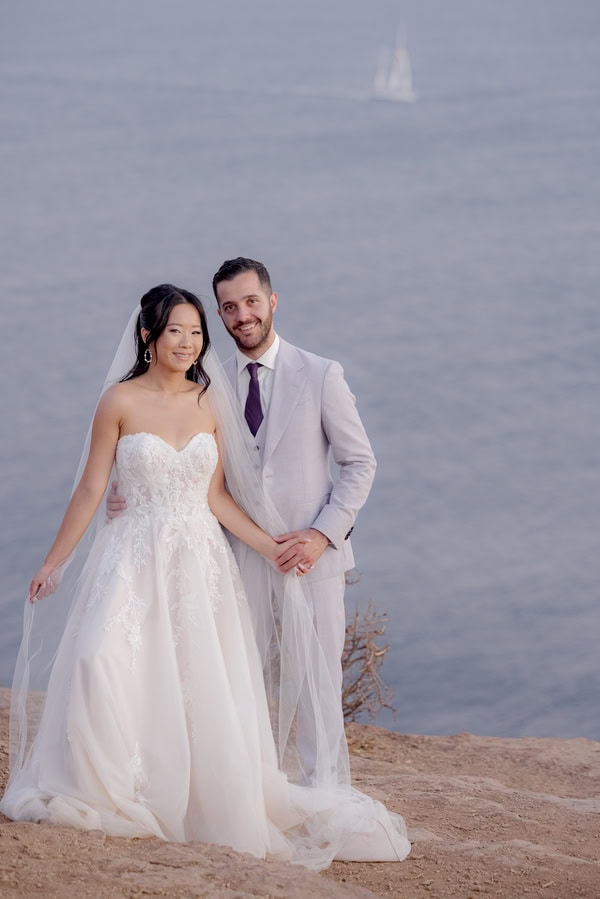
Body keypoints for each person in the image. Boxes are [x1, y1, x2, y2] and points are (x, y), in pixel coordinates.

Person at [1, 285, 410, 870]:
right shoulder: (117, 401)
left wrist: (273, 547)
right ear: (148, 336)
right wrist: (54, 561)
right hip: (130, 556)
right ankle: (110, 785)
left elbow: (215, 495)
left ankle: (192, 794)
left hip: (198, 563)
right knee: (99, 658)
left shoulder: (208, 401)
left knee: (197, 680)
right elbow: (92, 488)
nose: (188, 343)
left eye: (196, 333)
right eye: (175, 331)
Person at [109, 258, 378, 788]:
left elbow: (360, 463)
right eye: (229, 307)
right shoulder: (209, 384)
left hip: (311, 558)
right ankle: (249, 788)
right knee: (237, 675)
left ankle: (326, 790)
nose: (242, 315)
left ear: (272, 301)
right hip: (233, 554)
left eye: (251, 302)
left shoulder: (322, 374)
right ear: (220, 315)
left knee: (317, 682)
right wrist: (128, 490)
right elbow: (173, 447)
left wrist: (322, 534)